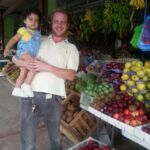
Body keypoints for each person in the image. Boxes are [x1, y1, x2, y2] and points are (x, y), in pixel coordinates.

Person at [12, 8, 79, 150]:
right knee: (28, 142)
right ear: (51, 23)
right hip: (29, 96)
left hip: (53, 99)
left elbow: (71, 75)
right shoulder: (38, 40)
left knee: (55, 139)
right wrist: (18, 61)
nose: (59, 25)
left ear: (67, 25)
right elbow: (18, 54)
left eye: (63, 22)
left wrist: (46, 67)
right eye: (56, 21)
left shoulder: (71, 48)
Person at [4, 7, 42, 98]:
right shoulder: (23, 30)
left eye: (36, 20)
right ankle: (26, 85)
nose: (33, 22)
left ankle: (16, 89)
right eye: (31, 19)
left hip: (30, 55)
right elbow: (13, 39)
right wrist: (7, 49)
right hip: (23, 53)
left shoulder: (37, 33)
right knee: (35, 66)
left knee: (24, 72)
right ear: (25, 20)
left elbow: (42, 39)